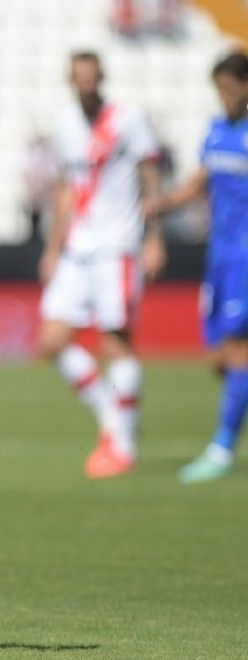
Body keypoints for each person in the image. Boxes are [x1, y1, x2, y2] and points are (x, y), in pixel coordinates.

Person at [37, 51, 164, 479]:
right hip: (77, 248)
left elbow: (150, 177)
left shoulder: (128, 120)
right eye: (79, 80)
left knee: (116, 344)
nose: (86, 86)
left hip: (118, 247)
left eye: (92, 79)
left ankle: (122, 445)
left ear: (102, 78)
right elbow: (65, 190)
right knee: (51, 341)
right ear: (71, 81)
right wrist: (53, 248)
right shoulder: (65, 124)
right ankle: (115, 417)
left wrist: (155, 237)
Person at [145, 51, 248, 483]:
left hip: (246, 255)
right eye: (218, 90)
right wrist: (162, 205)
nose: (223, 97)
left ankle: (221, 447)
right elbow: (199, 181)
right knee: (218, 357)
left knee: (239, 351)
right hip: (219, 255)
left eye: (229, 89)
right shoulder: (216, 130)